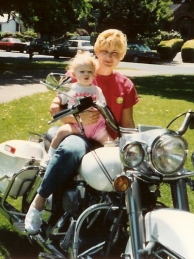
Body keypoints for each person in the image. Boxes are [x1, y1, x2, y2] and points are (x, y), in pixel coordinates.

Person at [25, 29, 139, 234]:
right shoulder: (80, 71)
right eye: (105, 51)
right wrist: (77, 117)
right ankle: (38, 203)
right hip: (79, 133)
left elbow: (127, 123)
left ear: (122, 56)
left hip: (106, 139)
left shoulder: (126, 85)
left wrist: (133, 147)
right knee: (70, 151)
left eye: (115, 53)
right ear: (97, 51)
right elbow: (55, 109)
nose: (109, 57)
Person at [43, 51, 112, 166]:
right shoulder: (71, 89)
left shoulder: (97, 90)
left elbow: (103, 105)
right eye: (82, 71)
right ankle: (50, 155)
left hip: (96, 127)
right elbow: (60, 98)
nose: (86, 74)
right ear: (74, 74)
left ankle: (111, 165)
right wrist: (55, 103)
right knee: (61, 131)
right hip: (76, 126)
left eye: (90, 71)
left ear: (95, 74)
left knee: (111, 144)